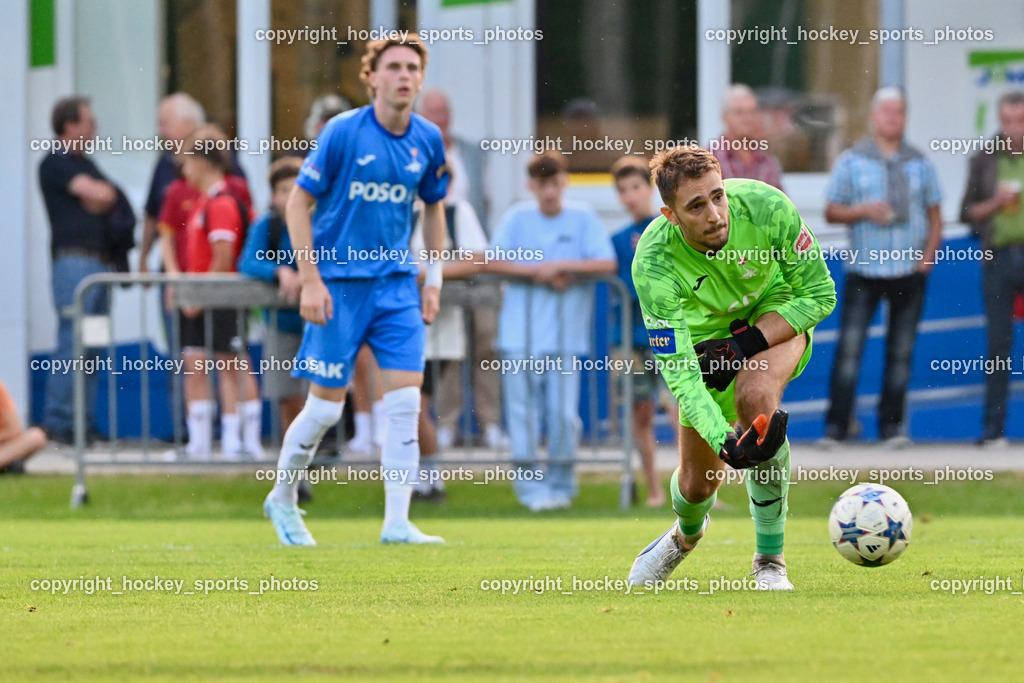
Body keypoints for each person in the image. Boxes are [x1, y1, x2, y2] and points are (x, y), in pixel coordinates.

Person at [263, 36, 449, 545]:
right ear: (371, 77)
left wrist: (432, 279)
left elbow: (434, 209)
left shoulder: (427, 139)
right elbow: (297, 205)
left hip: (395, 287)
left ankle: (396, 522)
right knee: (325, 408)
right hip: (339, 286)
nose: (404, 75)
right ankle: (281, 498)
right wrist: (310, 279)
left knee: (406, 403)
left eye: (413, 67)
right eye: (394, 67)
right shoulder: (342, 133)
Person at [627, 146, 836, 591]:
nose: (715, 214)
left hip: (773, 317)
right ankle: (684, 536)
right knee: (698, 486)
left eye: (718, 196)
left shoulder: (767, 206)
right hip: (705, 350)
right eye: (696, 206)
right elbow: (681, 372)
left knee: (755, 399)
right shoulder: (653, 262)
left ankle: (769, 561)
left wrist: (744, 345)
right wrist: (720, 438)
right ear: (670, 215)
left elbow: (819, 294)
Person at [486, 151, 616, 511]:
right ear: (532, 185)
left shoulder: (583, 217)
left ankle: (561, 485)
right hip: (518, 336)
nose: (549, 192)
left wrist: (562, 265)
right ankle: (530, 492)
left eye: (555, 183)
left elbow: (606, 261)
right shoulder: (516, 217)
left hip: (564, 338)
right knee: (522, 416)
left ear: (565, 181)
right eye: (543, 185)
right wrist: (536, 273)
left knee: (562, 415)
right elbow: (492, 259)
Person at [822, 88, 943, 447]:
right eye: (886, 111)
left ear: (905, 117)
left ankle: (892, 428)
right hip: (864, 269)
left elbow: (935, 216)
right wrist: (863, 210)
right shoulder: (851, 160)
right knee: (849, 350)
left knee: (901, 352)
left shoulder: (920, 163)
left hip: (908, 270)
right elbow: (831, 210)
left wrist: (927, 259)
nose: (893, 118)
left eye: (899, 112)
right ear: (874, 117)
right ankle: (837, 427)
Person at [418, 89, 506, 450]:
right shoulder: (415, 150)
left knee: (485, 347)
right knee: (445, 354)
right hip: (441, 279)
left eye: (444, 111)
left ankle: (491, 423)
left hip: (474, 270)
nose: (440, 117)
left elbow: (483, 202)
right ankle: (446, 424)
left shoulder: (470, 153)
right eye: (433, 112)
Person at [176, 125, 263, 461]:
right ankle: (199, 444)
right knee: (195, 362)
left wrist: (201, 296)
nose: (184, 168)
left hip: (222, 297)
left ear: (204, 162)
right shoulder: (204, 202)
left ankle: (240, 441)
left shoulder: (222, 203)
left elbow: (223, 257)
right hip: (207, 296)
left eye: (188, 160)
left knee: (232, 364)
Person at [38, 96, 119, 443]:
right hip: (74, 266)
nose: (94, 127)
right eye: (88, 121)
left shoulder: (87, 163)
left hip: (100, 266)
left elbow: (109, 195)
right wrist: (96, 196)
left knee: (93, 346)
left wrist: (98, 195)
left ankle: (82, 422)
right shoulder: (55, 162)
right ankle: (59, 421)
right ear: (69, 125)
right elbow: (98, 196)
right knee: (72, 342)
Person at [409, 193, 489, 501]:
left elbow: (480, 257)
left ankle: (429, 479)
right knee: (410, 406)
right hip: (403, 325)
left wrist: (431, 275)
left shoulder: (457, 211)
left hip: (439, 332)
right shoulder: (402, 210)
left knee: (416, 405)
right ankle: (423, 479)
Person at [960, 89, 1024, 447]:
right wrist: (995, 203)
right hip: (998, 258)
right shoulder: (984, 158)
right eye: (1008, 122)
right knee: (999, 345)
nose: (1014, 129)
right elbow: (966, 213)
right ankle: (993, 429)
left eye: (1021, 122)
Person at [609, 155, 670, 507]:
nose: (630, 195)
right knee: (640, 414)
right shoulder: (617, 239)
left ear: (650, 189)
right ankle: (654, 490)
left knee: (682, 411)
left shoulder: (669, 227)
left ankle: (700, 488)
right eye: (623, 190)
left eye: (636, 187)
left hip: (668, 335)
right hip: (628, 339)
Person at [237, 156, 308, 437]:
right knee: (287, 394)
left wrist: (310, 274)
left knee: (323, 395)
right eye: (282, 190)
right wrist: (278, 271)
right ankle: (296, 463)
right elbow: (248, 261)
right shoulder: (268, 226)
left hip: (322, 323)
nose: (289, 196)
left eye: (296, 188)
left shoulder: (325, 222)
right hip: (282, 323)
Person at [712, 85, 784, 191]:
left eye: (752, 112)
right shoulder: (709, 159)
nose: (747, 119)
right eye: (739, 112)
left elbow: (780, 204)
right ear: (725, 117)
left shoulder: (769, 162)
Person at [0, 381, 48, 472]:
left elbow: (15, 430)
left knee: (36, 436)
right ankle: (7, 465)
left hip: (3, 447)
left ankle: (6, 463)